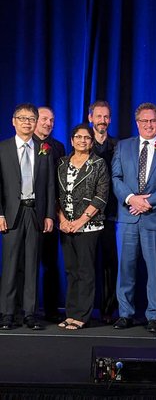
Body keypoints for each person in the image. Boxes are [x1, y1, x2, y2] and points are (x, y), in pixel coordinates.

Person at [112, 102, 156, 333]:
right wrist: (132, 198)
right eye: (144, 121)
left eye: (153, 120)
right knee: (126, 268)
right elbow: (116, 178)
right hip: (128, 217)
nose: (149, 125)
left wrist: (148, 202)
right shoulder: (123, 147)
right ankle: (125, 314)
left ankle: (154, 314)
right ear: (137, 123)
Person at [0, 103, 56, 330]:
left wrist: (49, 215)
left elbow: (51, 185)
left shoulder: (44, 148)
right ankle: (7, 313)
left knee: (33, 264)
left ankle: (29, 313)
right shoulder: (3, 148)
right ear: (13, 121)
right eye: (22, 118)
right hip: (12, 213)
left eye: (31, 119)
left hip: (35, 212)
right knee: (11, 265)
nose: (27, 122)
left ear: (35, 122)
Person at [57, 123, 109, 330]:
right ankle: (70, 313)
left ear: (91, 141)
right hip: (65, 225)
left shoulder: (98, 164)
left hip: (88, 226)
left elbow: (100, 197)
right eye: (78, 137)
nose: (82, 141)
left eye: (86, 138)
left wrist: (79, 222)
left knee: (86, 271)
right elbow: (56, 195)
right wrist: (61, 220)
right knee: (71, 270)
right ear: (72, 140)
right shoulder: (61, 163)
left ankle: (82, 316)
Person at [33, 106, 66, 323]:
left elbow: (60, 184)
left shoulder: (58, 147)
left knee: (51, 264)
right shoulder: (22, 144)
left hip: (50, 214)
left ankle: (51, 310)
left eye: (52, 120)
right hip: (25, 213)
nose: (48, 123)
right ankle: (19, 309)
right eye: (44, 119)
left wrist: (56, 214)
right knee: (22, 264)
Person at [88, 100, 119, 324]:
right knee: (86, 265)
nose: (103, 121)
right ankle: (84, 309)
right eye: (99, 116)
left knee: (110, 265)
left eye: (106, 117)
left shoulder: (118, 146)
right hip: (85, 215)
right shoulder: (80, 143)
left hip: (111, 214)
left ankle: (108, 310)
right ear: (91, 118)